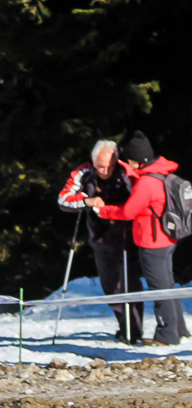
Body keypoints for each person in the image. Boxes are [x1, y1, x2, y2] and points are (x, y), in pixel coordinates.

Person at [87, 131, 186, 346]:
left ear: (138, 160)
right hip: (166, 238)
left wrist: (103, 211)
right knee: (167, 283)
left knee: (159, 287)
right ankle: (179, 328)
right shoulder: (161, 172)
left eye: (129, 160)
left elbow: (128, 212)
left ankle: (167, 334)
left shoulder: (146, 182)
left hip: (152, 241)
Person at [57, 138, 143, 342]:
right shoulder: (83, 172)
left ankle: (133, 330)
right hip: (101, 236)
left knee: (130, 282)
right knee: (111, 285)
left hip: (127, 234)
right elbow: (63, 199)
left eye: (110, 166)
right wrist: (87, 200)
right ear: (93, 161)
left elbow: (140, 197)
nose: (106, 171)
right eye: (101, 167)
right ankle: (124, 325)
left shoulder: (126, 171)